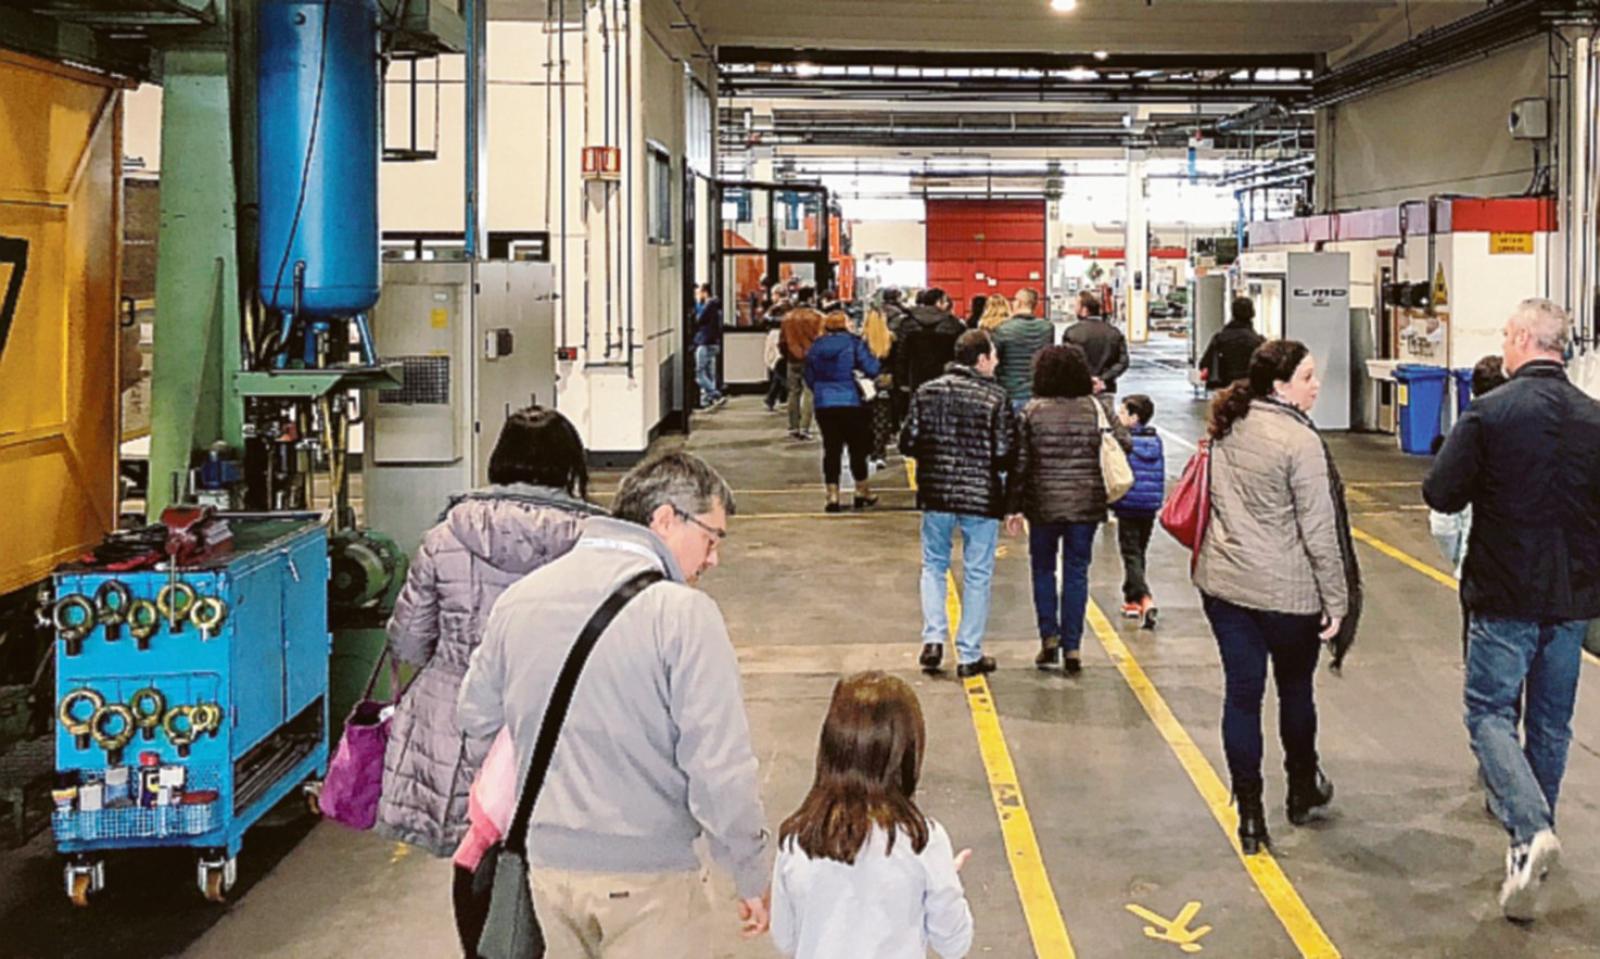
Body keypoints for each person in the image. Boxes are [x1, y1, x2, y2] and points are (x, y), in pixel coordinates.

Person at [458, 452, 772, 955]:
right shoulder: (682, 615)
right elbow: (719, 766)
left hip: (549, 874)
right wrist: (750, 869)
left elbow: (474, 715)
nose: (713, 559)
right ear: (666, 518)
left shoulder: (522, 598)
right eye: (712, 538)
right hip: (651, 878)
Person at [1423, 298, 1600, 921]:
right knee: (1551, 726)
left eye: (1506, 334)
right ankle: (1529, 846)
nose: (1502, 344)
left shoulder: (1491, 413)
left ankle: (1528, 830)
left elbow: (1441, 491)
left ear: (1525, 338)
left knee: (1489, 713)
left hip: (1504, 595)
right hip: (1574, 598)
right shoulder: (1595, 418)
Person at [377, 407, 604, 857]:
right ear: (569, 464)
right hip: (559, 717)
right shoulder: (594, 542)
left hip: (456, 723)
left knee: (473, 851)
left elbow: (408, 640)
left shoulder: (445, 536)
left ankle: (484, 927)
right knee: (551, 855)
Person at [1193, 340, 1358, 856]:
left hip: (1226, 586)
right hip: (1287, 595)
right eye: (1308, 377)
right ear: (1280, 386)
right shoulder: (1300, 442)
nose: (1316, 385)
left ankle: (1249, 815)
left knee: (1242, 697)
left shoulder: (1227, 424)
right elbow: (1320, 532)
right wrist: (1338, 602)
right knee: (1294, 690)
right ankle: (1302, 790)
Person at [771, 672, 974, 959]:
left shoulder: (796, 839)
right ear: (905, 753)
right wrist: (945, 880)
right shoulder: (923, 842)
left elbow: (785, 939)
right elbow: (954, 944)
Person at [1003, 345, 1131, 674]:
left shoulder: (1032, 410)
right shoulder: (1095, 408)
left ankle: (1049, 637)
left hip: (1043, 504)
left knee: (1043, 569)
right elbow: (1124, 442)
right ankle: (1073, 646)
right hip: (1086, 505)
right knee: (1076, 572)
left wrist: (1013, 507)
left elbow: (1020, 463)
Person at [899, 329, 1017, 678]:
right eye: (993, 356)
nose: (996, 363)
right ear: (981, 359)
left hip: (936, 493)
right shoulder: (995, 397)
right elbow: (1002, 452)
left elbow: (908, 441)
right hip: (980, 497)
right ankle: (969, 654)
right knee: (978, 573)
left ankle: (933, 637)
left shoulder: (926, 391)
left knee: (933, 565)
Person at [1427, 355, 1508, 658]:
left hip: (1480, 572)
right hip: (1540, 578)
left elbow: (1443, 518)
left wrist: (1460, 558)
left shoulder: (1467, 438)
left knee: (1485, 670)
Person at [805, 312, 882, 512]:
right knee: (857, 448)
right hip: (851, 401)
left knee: (831, 449)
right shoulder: (854, 343)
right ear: (843, 324)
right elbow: (872, 368)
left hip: (824, 403)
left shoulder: (816, 346)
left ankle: (832, 495)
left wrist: (822, 390)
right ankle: (861, 490)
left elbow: (809, 376)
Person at [1114, 394, 1165, 629]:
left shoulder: (1124, 443)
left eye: (1123, 412)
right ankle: (1131, 599)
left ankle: (1145, 598)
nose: (1119, 416)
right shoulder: (1156, 441)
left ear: (1134, 418)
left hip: (1129, 504)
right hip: (1149, 506)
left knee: (1130, 553)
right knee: (1139, 552)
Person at [896, 288, 968, 403]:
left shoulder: (908, 323)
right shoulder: (953, 324)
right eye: (945, 301)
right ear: (938, 302)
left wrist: (902, 380)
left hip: (916, 378)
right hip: (945, 378)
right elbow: (961, 354)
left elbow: (901, 354)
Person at [991, 287, 1055, 411]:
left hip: (1011, 392)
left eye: (1014, 300)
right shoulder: (1047, 328)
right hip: (1037, 394)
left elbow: (995, 361)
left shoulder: (1003, 329)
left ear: (1019, 302)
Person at [1063, 291, 1130, 395]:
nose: (1074, 310)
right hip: (1106, 389)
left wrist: (1086, 379)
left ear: (1084, 310)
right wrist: (1103, 378)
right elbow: (1123, 362)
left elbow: (1067, 362)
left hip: (1079, 389)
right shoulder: (1114, 333)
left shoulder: (1072, 333)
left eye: (1076, 306)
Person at [782, 286, 826, 440]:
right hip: (812, 360)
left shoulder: (787, 317)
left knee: (793, 392)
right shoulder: (818, 317)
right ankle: (804, 428)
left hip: (792, 359)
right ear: (810, 298)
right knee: (809, 392)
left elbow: (782, 341)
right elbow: (822, 340)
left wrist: (787, 354)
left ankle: (793, 427)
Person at [1199, 297, 1266, 391]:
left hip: (1225, 387)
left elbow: (1204, 364)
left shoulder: (1220, 339)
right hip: (1250, 388)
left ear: (1233, 313)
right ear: (1252, 314)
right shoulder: (1258, 341)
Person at [862, 306, 898, 467]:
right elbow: (897, 363)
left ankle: (868, 450)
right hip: (885, 382)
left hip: (866, 384)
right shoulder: (891, 339)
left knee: (866, 419)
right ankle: (880, 454)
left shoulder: (861, 341)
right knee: (883, 419)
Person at [692, 283, 726, 410]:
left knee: (699, 373)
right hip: (713, 342)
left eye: (699, 292)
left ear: (705, 292)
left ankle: (714, 394)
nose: (698, 295)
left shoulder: (708, 305)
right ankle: (707, 399)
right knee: (708, 371)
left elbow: (698, 320)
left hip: (705, 342)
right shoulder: (716, 306)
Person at [763, 316, 789, 412]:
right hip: (782, 359)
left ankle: (771, 399)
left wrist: (769, 361)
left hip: (775, 360)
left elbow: (769, 349)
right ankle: (773, 399)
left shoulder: (771, 334)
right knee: (780, 380)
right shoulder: (782, 333)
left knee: (778, 380)